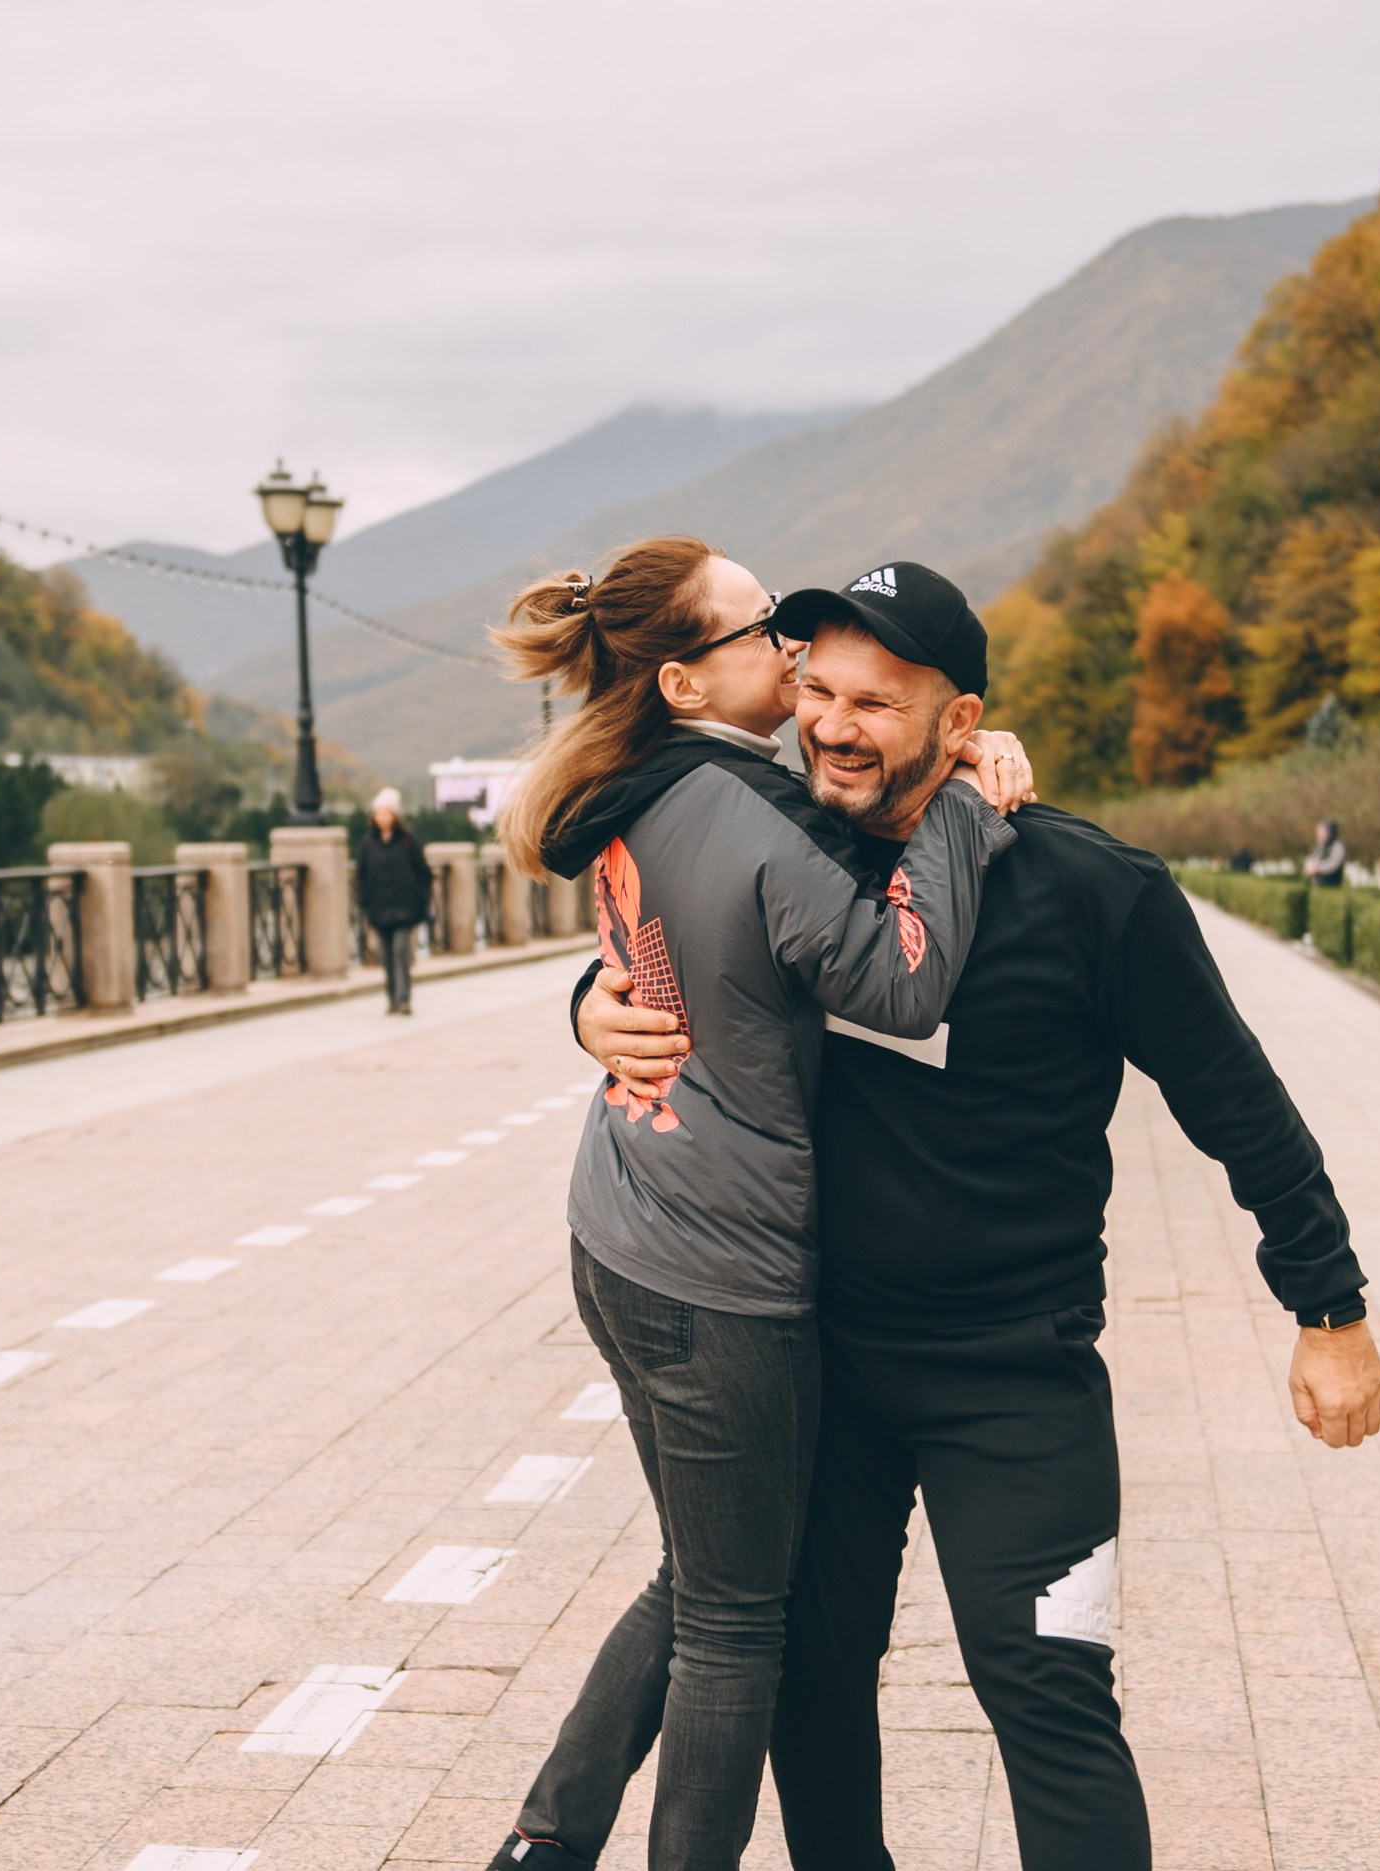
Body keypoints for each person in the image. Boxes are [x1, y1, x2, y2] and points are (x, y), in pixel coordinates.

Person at [576, 561, 1380, 1871]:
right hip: (818, 1362)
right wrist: (584, 1001)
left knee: (1054, 1694)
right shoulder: (789, 845)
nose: (835, 725)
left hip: (1017, 1375)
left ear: (960, 722)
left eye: (878, 703)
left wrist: (1328, 1302)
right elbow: (663, 921)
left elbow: (1236, 1100)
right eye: (818, 693)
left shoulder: (1090, 889)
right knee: (810, 1682)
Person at [484, 538, 1031, 1871]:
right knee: (738, 1618)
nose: (788, 651)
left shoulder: (646, 784)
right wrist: (965, 795)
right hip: (718, 1275)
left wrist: (583, 1006)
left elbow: (684, 936)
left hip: (617, 1222)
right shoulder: (750, 812)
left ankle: (547, 1843)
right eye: (758, 632)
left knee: (694, 1578)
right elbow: (901, 982)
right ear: (682, 677)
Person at [356, 787, 433, 1013]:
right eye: (378, 813)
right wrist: (365, 903)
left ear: (395, 815)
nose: (382, 818)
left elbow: (423, 873)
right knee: (387, 957)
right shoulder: (368, 844)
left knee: (401, 952)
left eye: (386, 813)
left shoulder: (408, 841)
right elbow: (361, 876)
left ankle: (403, 999)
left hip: (405, 909)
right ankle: (392, 999)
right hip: (379, 910)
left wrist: (421, 900)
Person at [1304, 817, 1347, 887]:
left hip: (1330, 884)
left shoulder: (1338, 846)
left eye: (1322, 831)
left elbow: (1333, 864)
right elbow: (1313, 857)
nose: (1319, 834)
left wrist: (1317, 868)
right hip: (1316, 883)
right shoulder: (1319, 845)